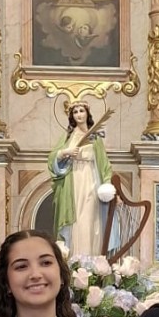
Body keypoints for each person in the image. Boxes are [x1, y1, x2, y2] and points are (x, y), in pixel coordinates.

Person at [47, 101, 114, 257]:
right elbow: (52, 158)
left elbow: (104, 164)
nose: (78, 114)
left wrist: (107, 184)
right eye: (75, 112)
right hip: (74, 182)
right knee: (77, 220)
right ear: (72, 116)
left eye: (81, 110)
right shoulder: (68, 136)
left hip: (91, 179)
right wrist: (65, 152)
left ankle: (92, 258)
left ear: (87, 113)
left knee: (90, 219)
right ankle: (75, 260)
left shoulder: (95, 137)